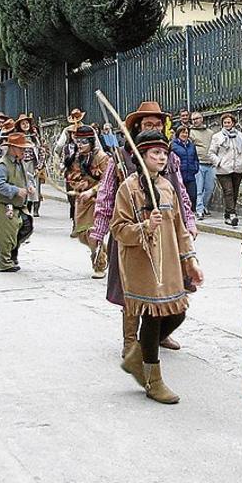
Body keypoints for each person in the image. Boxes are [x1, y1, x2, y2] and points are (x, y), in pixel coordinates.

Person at [90, 101, 198, 357]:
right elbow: (106, 196)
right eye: (148, 124)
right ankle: (131, 343)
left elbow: (180, 191)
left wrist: (189, 222)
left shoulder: (168, 156)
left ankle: (160, 334)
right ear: (137, 127)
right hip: (131, 232)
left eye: (157, 124)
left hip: (166, 233)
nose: (153, 128)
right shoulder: (120, 157)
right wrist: (98, 232)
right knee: (131, 289)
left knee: (167, 287)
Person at [114, 130, 203, 404]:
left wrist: (191, 260)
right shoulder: (128, 189)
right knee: (152, 319)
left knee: (177, 314)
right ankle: (153, 380)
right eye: (155, 153)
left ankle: (136, 357)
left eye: (164, 153)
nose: (161, 157)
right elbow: (118, 229)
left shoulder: (167, 187)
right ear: (141, 156)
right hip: (142, 264)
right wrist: (144, 227)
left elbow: (179, 228)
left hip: (169, 263)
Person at [66, 125, 110, 278]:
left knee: (93, 233)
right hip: (82, 200)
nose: (80, 144)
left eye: (84, 141)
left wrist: (92, 190)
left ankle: (99, 265)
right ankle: (102, 249)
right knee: (81, 235)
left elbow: (107, 181)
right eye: (78, 141)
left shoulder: (102, 157)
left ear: (91, 141)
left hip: (97, 199)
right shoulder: (77, 157)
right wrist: (78, 186)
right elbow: (72, 176)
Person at [0, 132, 35, 272]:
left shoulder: (18, 162)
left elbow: (25, 177)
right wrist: (16, 190)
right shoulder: (2, 165)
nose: (24, 151)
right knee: (5, 234)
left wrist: (29, 186)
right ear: (13, 148)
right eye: (21, 148)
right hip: (5, 204)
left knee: (26, 226)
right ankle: (5, 262)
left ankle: (12, 254)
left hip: (18, 204)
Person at [209, 112, 242, 226]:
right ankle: (232, 214)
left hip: (237, 168)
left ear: (233, 123)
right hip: (223, 170)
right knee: (228, 191)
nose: (227, 124)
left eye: (229, 122)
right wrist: (219, 162)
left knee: (235, 192)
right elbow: (211, 153)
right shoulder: (217, 136)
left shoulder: (240, 136)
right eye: (225, 122)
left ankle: (228, 216)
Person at [16, 114, 44, 217]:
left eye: (27, 123)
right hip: (21, 164)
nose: (25, 125)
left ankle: (34, 208)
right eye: (23, 123)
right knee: (22, 186)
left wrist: (39, 167)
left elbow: (41, 152)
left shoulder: (34, 137)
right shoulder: (17, 137)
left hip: (32, 164)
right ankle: (24, 208)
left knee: (34, 187)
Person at [189, 112, 215, 220]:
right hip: (198, 163)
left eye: (197, 118)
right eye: (193, 119)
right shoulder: (191, 133)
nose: (195, 121)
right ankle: (199, 210)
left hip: (210, 163)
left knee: (209, 188)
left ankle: (203, 206)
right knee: (199, 189)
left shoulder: (210, 133)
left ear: (202, 119)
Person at [171, 125, 199, 213]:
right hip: (179, 175)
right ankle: (181, 213)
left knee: (193, 195)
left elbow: (195, 158)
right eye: (183, 132)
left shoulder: (191, 146)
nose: (185, 134)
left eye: (186, 133)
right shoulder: (173, 145)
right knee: (180, 196)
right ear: (178, 134)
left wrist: (195, 168)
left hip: (190, 175)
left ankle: (190, 213)